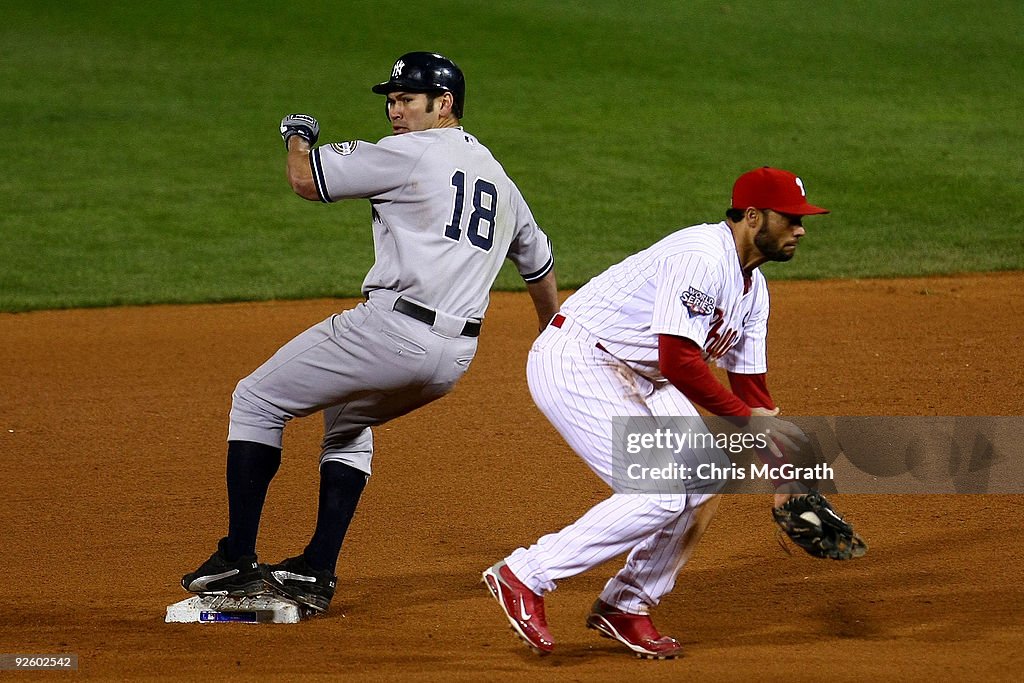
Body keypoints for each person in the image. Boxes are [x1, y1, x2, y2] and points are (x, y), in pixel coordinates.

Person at [182, 51, 559, 615]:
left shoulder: (409, 153)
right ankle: (317, 569)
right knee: (347, 422)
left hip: (390, 332)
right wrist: (548, 329)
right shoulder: (499, 178)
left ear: (444, 104)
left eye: (407, 99)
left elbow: (306, 181)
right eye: (391, 99)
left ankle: (236, 557)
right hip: (454, 359)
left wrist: (297, 136)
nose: (395, 110)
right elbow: (539, 263)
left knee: (255, 400)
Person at [482, 166, 828, 658]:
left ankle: (627, 603)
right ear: (753, 217)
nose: (801, 229)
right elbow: (680, 360)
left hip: (640, 375)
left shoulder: (754, 289)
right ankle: (525, 574)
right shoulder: (701, 258)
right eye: (790, 218)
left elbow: (751, 388)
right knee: (661, 492)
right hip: (579, 358)